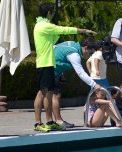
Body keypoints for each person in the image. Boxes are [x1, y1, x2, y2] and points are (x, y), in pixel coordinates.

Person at [33, 2, 97, 132]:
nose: (54, 14)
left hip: (48, 62)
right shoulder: (44, 26)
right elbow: (63, 29)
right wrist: (83, 30)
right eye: (53, 12)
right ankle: (38, 123)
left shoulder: (42, 26)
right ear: (49, 13)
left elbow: (55, 39)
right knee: (43, 94)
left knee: (48, 93)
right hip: (45, 63)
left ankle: (50, 122)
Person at [53, 38, 102, 128]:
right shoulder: (74, 54)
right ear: (85, 48)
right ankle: (58, 121)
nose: (89, 55)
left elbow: (58, 51)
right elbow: (80, 73)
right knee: (55, 95)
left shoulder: (73, 44)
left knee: (44, 95)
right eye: (90, 53)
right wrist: (94, 85)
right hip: (51, 69)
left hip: (49, 67)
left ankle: (44, 122)